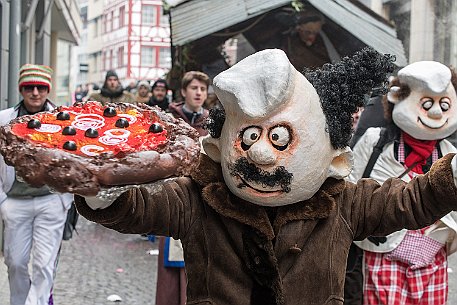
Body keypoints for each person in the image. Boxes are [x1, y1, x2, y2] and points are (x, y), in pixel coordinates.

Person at [70, 48, 457, 304]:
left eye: (280, 138)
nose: (259, 153)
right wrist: (101, 191)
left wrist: (451, 176)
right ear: (219, 147)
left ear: (334, 160)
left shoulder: (343, 202)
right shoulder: (199, 198)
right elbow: (140, 207)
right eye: (250, 136)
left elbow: (411, 200)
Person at [347, 61, 457, 305]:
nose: (436, 113)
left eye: (444, 104)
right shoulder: (375, 143)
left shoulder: (449, 153)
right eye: (427, 104)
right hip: (381, 258)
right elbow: (349, 191)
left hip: (432, 264)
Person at [0, 64, 73, 305]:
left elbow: (74, 158)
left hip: (51, 200)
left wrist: (66, 198)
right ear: (21, 89)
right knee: (15, 262)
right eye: (29, 87)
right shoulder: (4, 119)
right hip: (14, 200)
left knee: (44, 264)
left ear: (47, 89)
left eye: (40, 87)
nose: (34, 92)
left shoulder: (63, 120)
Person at [154, 71, 210, 305]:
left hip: (202, 199)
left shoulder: (212, 121)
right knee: (171, 259)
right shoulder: (169, 120)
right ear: (184, 91)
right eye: (194, 88)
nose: (199, 93)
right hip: (173, 195)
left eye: (203, 89)